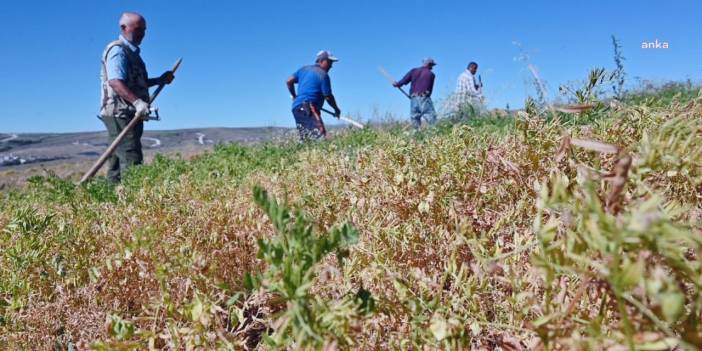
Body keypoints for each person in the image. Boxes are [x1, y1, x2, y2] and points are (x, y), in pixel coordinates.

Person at [99, 12, 175, 182]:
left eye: (144, 30)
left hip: (129, 113)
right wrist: (137, 102)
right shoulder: (118, 51)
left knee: (117, 161)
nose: (143, 33)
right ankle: (133, 200)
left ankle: (112, 200)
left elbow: (136, 83)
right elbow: (115, 82)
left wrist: (159, 80)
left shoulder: (134, 55)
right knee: (131, 158)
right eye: (138, 28)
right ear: (124, 28)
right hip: (120, 113)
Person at [286, 51, 342, 141]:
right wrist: (336, 109)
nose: (331, 66)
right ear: (321, 61)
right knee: (320, 136)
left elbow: (289, 81)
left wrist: (294, 97)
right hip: (308, 108)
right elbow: (328, 96)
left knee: (307, 138)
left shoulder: (304, 69)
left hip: (297, 108)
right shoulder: (323, 75)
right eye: (329, 62)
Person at [393, 58, 437, 128]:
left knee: (415, 119)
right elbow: (430, 90)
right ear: (429, 64)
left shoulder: (413, 71)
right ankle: (436, 135)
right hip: (424, 98)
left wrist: (397, 84)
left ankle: (416, 136)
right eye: (432, 66)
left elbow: (403, 81)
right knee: (432, 119)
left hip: (413, 99)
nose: (432, 68)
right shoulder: (431, 74)